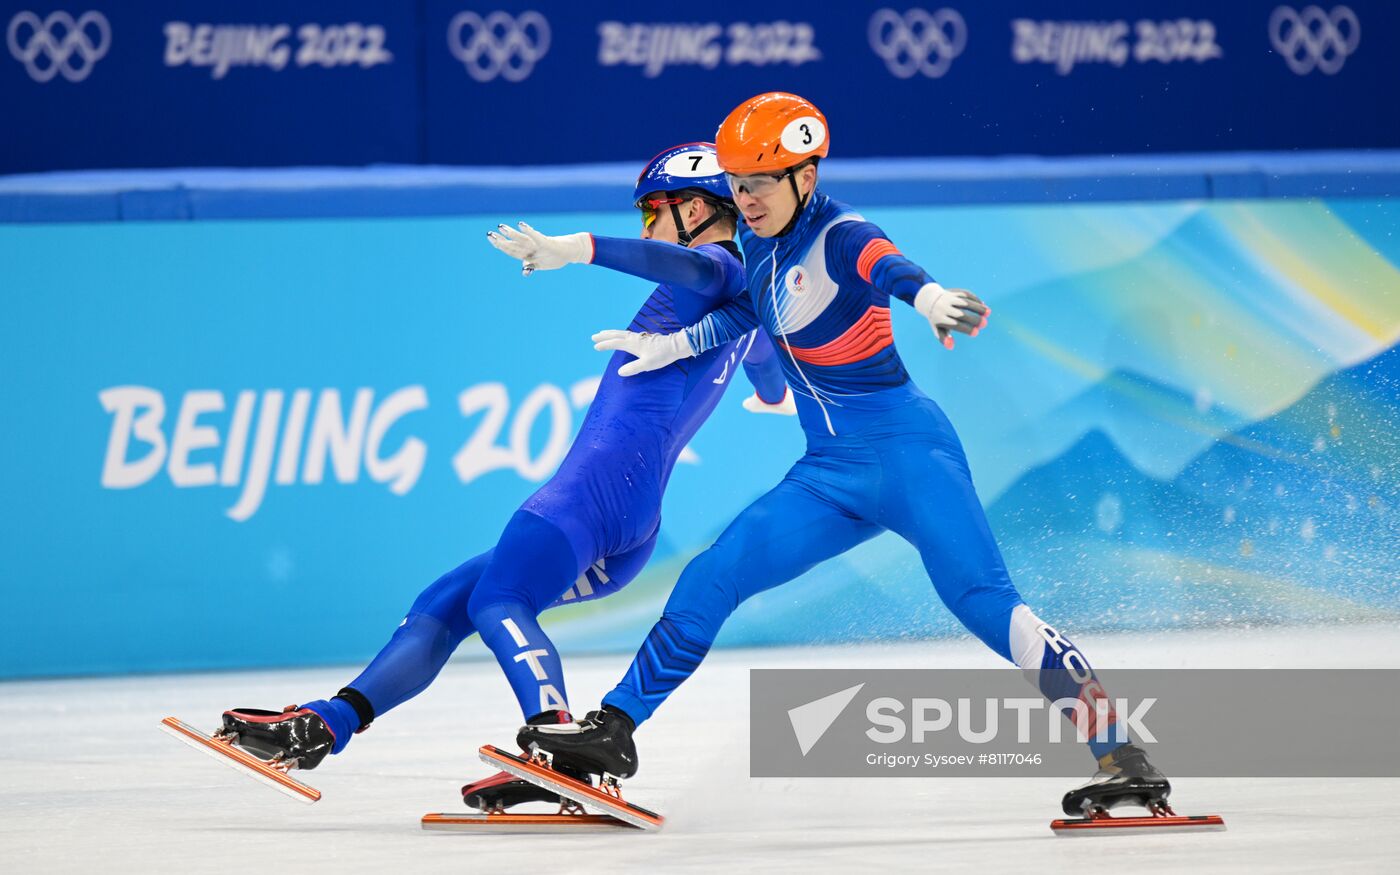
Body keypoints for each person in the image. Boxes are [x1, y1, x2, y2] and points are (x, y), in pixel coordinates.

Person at [507, 93, 1170, 818]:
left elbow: (890, 266)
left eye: (759, 182)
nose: (744, 198)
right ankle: (614, 732)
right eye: (735, 182)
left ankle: (1122, 752)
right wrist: (677, 343)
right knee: (713, 574)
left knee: (983, 601)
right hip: (829, 473)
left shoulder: (843, 233)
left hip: (910, 455)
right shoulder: (756, 243)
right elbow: (747, 310)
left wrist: (931, 297)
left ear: (805, 176)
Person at [214, 142, 792, 812]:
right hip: (630, 516)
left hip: (590, 496)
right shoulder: (745, 298)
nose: (646, 227)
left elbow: (683, 262)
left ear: (695, 208)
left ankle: (554, 739)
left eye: (651, 211)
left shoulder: (716, 265)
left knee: (498, 602)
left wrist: (578, 248)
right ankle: (324, 725)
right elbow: (765, 353)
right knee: (449, 600)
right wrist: (774, 395)